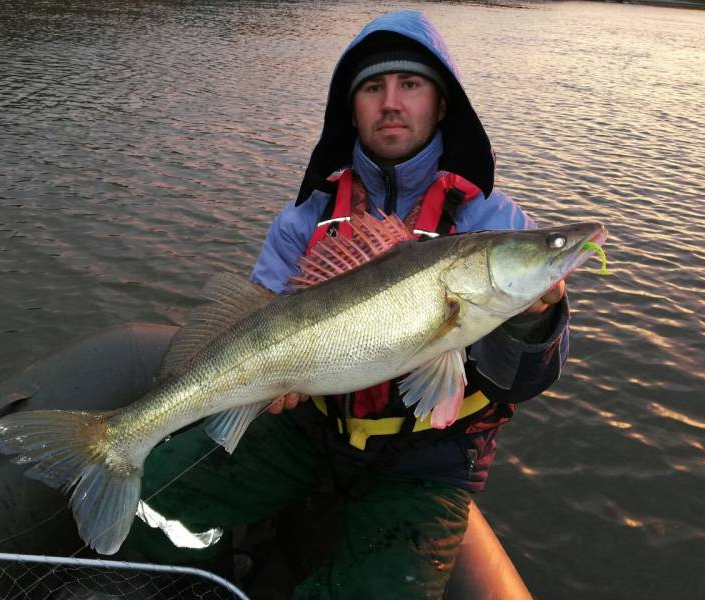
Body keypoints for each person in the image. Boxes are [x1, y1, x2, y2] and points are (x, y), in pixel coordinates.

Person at [123, 10, 569, 598]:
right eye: (371, 87)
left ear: (440, 105)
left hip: (427, 461)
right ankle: (198, 585)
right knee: (160, 490)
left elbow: (531, 378)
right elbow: (256, 319)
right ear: (350, 108)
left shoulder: (494, 222)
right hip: (311, 427)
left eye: (410, 85)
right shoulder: (304, 219)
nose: (390, 102)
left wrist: (538, 320)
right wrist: (267, 387)